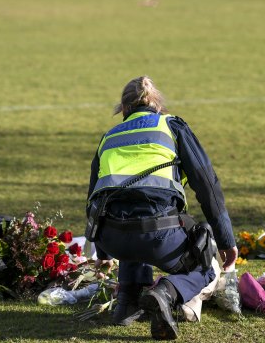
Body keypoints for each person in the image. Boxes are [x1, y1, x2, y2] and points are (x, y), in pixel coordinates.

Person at [86, 76, 237, 340]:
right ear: (157, 105)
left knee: (129, 224)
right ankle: (164, 293)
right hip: (159, 236)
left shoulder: (108, 137)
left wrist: (103, 251)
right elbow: (208, 187)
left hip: (112, 238)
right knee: (206, 264)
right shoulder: (171, 126)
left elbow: (94, 200)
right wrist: (225, 240)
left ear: (123, 109)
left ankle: (126, 304)